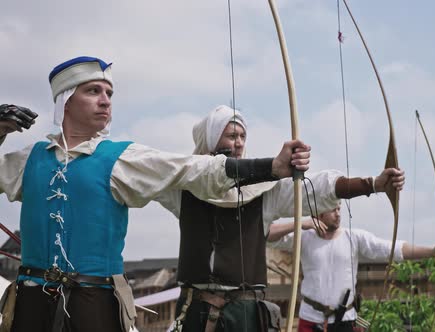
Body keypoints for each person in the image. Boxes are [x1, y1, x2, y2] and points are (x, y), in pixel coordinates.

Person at [0, 56, 311, 332]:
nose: (106, 100)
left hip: (95, 306)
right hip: (31, 304)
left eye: (109, 93)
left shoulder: (121, 158)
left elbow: (195, 170)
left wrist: (272, 166)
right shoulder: (30, 159)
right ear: (65, 100)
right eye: (93, 91)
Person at [161, 105, 407, 332]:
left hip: (245, 317)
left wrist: (372, 184)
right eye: (231, 136)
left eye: (242, 137)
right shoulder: (184, 190)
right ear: (212, 138)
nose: (238, 143)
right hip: (197, 314)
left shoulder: (260, 193)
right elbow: (152, 174)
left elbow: (318, 189)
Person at [267, 204, 435, 332]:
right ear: (318, 213)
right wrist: (301, 223)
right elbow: (268, 234)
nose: (338, 213)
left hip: (346, 319)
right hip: (311, 318)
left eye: (339, 208)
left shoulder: (353, 237)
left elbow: (392, 248)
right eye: (332, 209)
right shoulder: (304, 236)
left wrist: (432, 251)